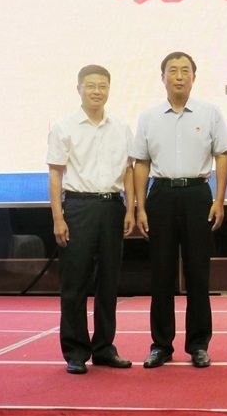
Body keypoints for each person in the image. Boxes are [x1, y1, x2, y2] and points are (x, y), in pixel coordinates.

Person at [131, 51, 227, 369]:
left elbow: (222, 156)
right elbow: (141, 163)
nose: (179, 76)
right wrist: (140, 206)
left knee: (198, 272)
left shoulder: (210, 112)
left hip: (197, 195)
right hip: (160, 195)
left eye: (185, 70)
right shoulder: (148, 117)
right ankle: (161, 345)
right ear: (162, 78)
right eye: (172, 71)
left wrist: (219, 200)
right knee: (160, 273)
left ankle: (198, 344)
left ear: (194, 77)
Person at [47, 64, 135, 374]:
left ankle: (104, 348)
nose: (97, 91)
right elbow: (55, 174)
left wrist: (130, 208)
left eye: (102, 86)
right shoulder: (64, 127)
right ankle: (75, 351)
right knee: (75, 282)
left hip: (112, 207)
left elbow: (128, 171)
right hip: (78, 207)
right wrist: (58, 217)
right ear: (79, 89)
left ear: (109, 89)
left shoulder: (121, 127)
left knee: (109, 281)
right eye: (91, 86)